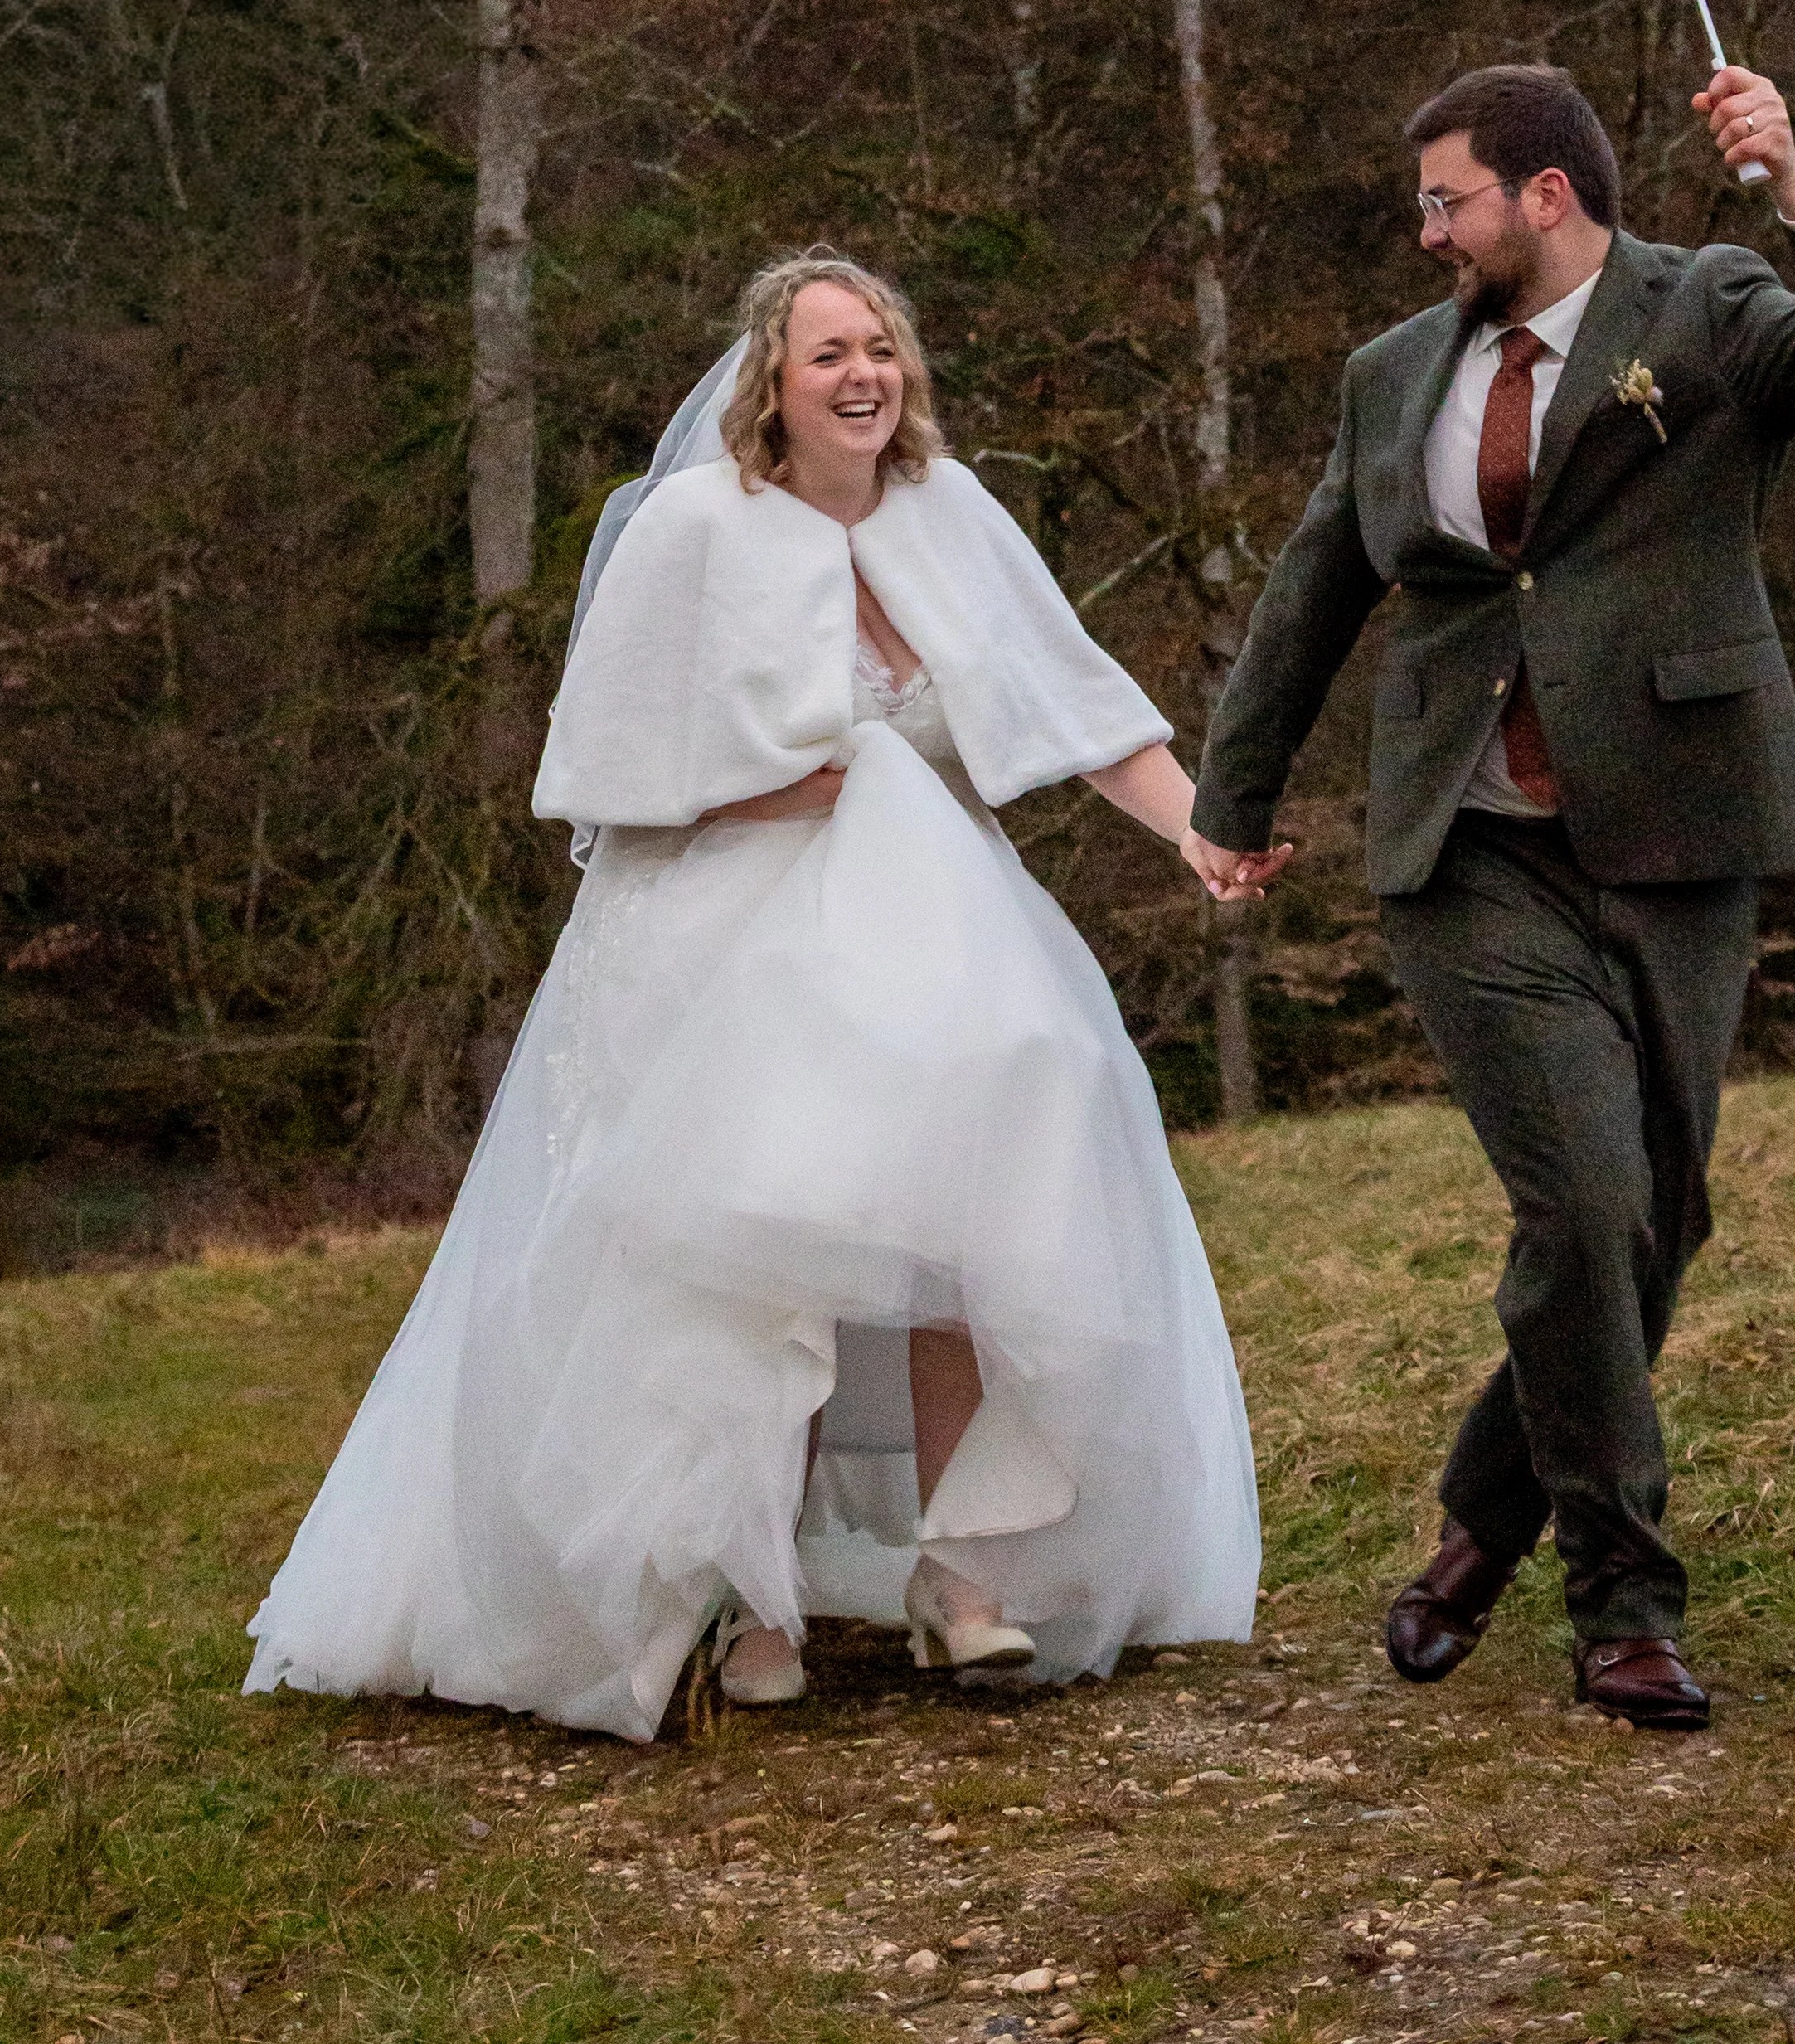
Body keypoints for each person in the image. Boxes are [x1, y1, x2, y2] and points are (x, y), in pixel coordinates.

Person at [245, 246, 1271, 1742]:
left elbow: (1082, 704)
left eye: (880, 348)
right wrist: (799, 777)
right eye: (828, 356)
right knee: (772, 1238)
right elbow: (604, 770)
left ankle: (963, 1570)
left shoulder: (949, 512)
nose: (864, 376)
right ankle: (755, 1594)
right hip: (744, 927)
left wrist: (1199, 833)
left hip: (937, 931)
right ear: (770, 386)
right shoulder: (696, 528)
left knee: (983, 1200)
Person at [1191, 59, 1795, 1733]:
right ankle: (1624, 1604)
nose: (1426, 231)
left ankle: (1483, 1517)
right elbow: (1321, 581)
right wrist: (1229, 799)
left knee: (1659, 1219)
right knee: (1590, 1205)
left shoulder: (1711, 305)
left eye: (1446, 199)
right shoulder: (1396, 374)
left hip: (1682, 833)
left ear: (1546, 193)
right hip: (1470, 850)